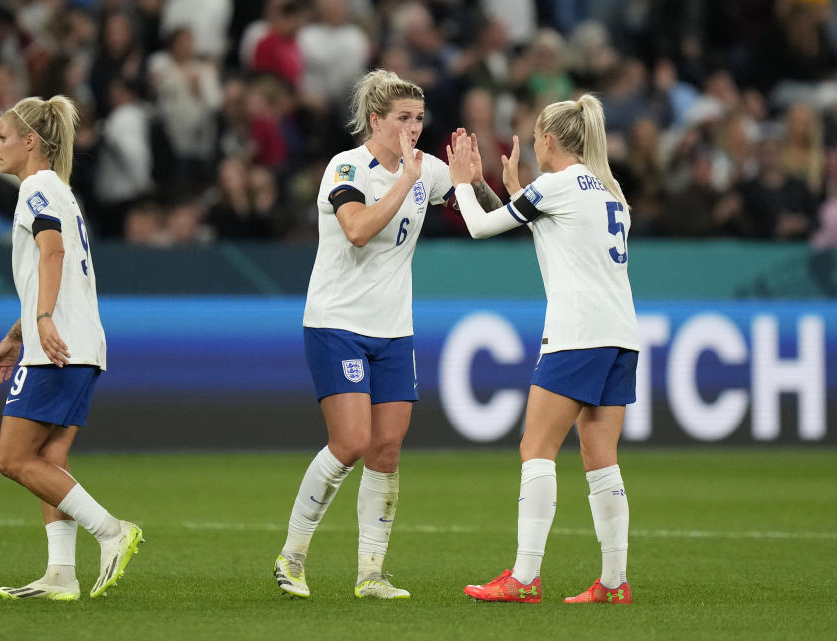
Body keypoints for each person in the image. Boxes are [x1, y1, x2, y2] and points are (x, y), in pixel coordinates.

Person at [272, 69, 502, 600]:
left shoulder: (428, 169)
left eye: (419, 119)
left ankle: (371, 573)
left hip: (394, 329)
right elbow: (355, 230)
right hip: (337, 323)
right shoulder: (346, 166)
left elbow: (482, 215)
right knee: (350, 443)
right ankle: (293, 555)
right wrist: (405, 180)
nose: (413, 128)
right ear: (376, 120)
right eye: (403, 118)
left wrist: (477, 179)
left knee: (387, 449)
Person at [446, 94, 639, 604]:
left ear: (549, 141)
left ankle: (525, 576)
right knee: (601, 458)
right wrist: (513, 193)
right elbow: (559, 234)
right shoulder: (609, 192)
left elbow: (480, 226)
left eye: (534, 137)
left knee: (536, 449)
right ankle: (614, 583)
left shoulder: (555, 186)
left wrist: (464, 185)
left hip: (576, 334)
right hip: (621, 334)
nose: (533, 144)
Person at [0, 95, 142, 601]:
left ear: (30, 141)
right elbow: (55, 271)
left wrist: (43, 322)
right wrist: (18, 332)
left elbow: (50, 251)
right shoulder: (61, 192)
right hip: (79, 345)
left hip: (57, 347)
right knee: (49, 459)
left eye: (3, 137)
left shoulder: (36, 187)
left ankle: (112, 531)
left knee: (12, 459)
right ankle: (61, 574)